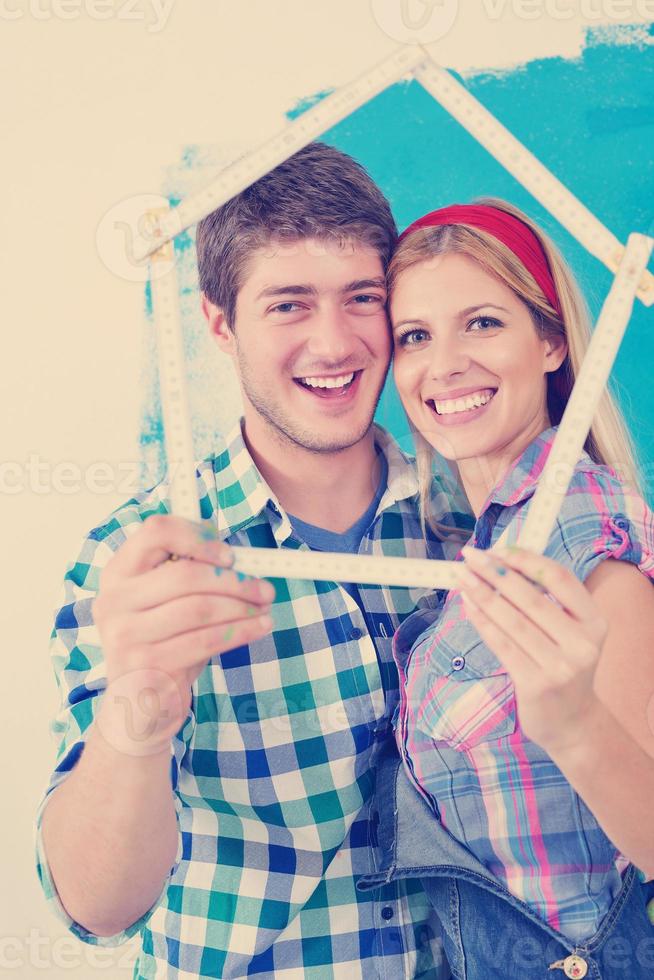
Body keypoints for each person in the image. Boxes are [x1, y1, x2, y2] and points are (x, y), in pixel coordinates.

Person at [34, 143, 471, 979]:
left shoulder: (472, 531)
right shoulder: (141, 562)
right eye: (289, 305)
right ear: (219, 323)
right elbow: (96, 908)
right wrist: (140, 717)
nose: (334, 343)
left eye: (362, 299)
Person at [358, 199, 654, 978]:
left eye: (482, 323)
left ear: (553, 341)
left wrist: (577, 725)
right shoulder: (484, 533)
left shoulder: (586, 534)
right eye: (415, 336)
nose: (444, 364)